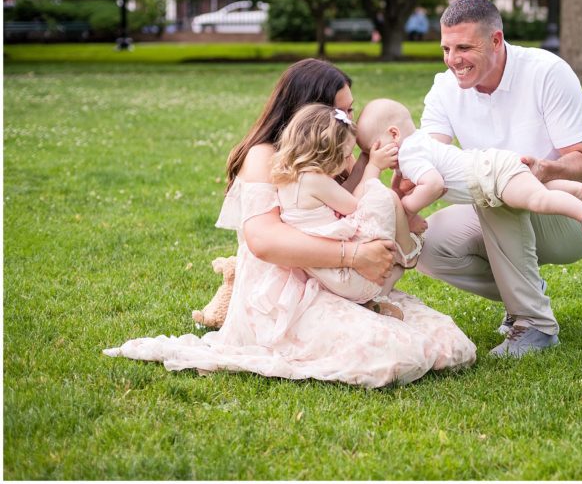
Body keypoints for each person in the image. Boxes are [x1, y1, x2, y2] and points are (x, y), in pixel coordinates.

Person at [104, 58, 475, 387]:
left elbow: (357, 203)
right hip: (285, 293)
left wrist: (378, 170)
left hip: (332, 281)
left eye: (351, 110)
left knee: (447, 342)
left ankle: (367, 307)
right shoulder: (264, 157)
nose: (350, 121)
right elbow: (264, 239)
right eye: (342, 112)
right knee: (398, 355)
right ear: (309, 111)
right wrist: (354, 254)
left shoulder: (329, 155)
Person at [407, 0, 582, 359]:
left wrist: (545, 170)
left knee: (492, 189)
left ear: (496, 40)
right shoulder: (444, 87)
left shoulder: (547, 72)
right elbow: (429, 156)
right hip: (500, 205)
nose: (454, 60)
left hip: (570, 210)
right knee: (427, 244)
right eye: (446, 48)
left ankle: (536, 326)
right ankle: (524, 291)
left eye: (465, 47)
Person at [355, 98, 582, 237]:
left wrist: (407, 212)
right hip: (493, 167)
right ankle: (576, 191)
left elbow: (434, 186)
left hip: (491, 176)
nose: (377, 158)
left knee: (538, 199)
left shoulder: (409, 155)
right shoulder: (418, 142)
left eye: (375, 148)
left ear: (394, 134)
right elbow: (404, 191)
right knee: (538, 187)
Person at [270, 102, 421, 319]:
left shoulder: (292, 178)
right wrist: (374, 168)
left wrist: (364, 160)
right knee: (384, 197)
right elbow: (357, 206)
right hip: (348, 277)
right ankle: (409, 251)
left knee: (394, 263)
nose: (346, 161)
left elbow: (339, 196)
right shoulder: (316, 180)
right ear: (326, 153)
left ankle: (377, 297)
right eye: (345, 155)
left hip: (326, 272)